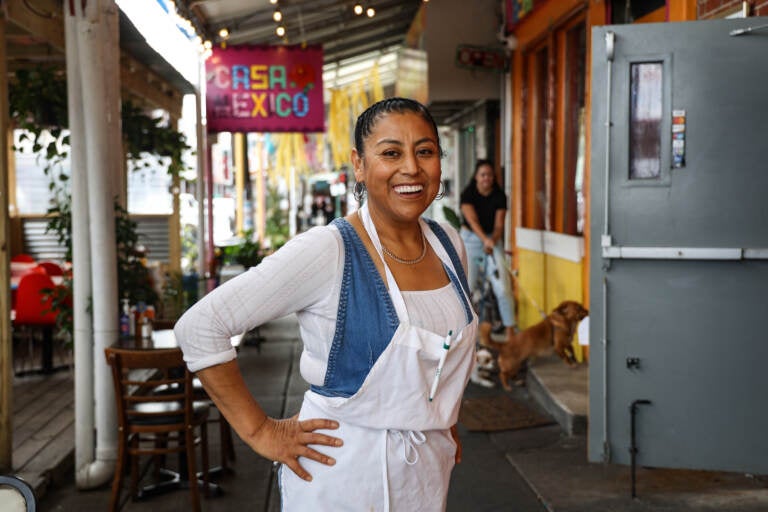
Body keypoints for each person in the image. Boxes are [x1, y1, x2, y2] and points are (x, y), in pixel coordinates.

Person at [174, 97, 478, 511]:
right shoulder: (329, 250)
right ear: (359, 164)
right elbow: (201, 326)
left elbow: (441, 355)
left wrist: (444, 419)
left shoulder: (448, 244)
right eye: (391, 153)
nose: (411, 167)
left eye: (424, 151)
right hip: (343, 474)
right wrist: (261, 431)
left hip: (426, 472)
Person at [459, 159, 517, 339]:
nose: (486, 178)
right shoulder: (468, 194)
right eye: (483, 175)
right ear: (476, 177)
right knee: (466, 285)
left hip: (493, 239)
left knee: (503, 287)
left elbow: (500, 224)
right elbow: (472, 220)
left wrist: (493, 240)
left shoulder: (500, 196)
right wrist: (485, 240)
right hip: (471, 238)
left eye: (490, 175)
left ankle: (510, 332)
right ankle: (464, 331)